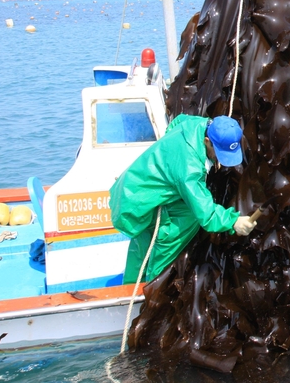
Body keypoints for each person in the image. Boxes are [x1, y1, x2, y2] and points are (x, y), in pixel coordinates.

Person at [109, 115, 256, 283]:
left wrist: (169, 161)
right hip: (137, 203)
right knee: (179, 224)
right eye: (218, 153)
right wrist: (234, 222)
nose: (220, 159)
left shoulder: (197, 124)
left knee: (141, 245)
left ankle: (129, 286)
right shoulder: (190, 169)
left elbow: (177, 121)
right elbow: (206, 214)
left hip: (132, 185)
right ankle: (154, 285)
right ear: (207, 141)